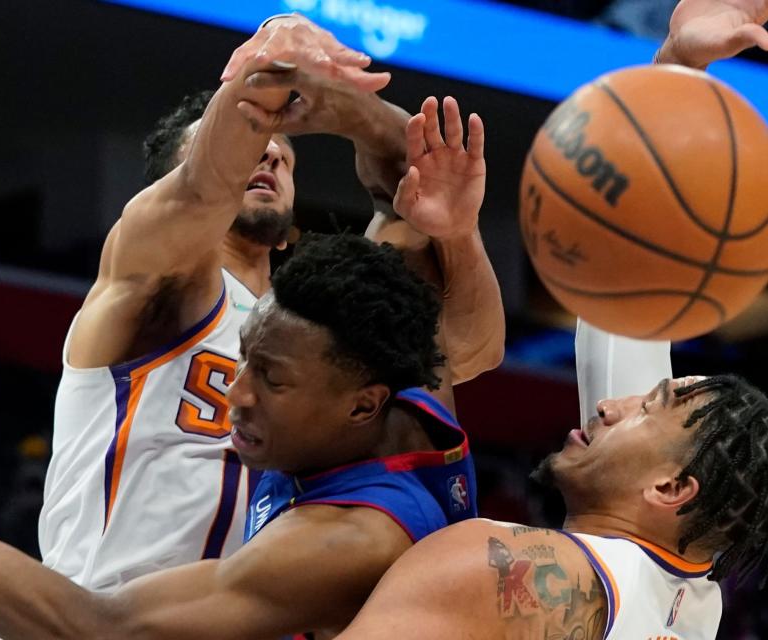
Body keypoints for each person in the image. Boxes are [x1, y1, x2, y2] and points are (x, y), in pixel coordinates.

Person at [333, 1, 768, 639]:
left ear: (671, 489)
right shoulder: (690, 597)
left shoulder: (501, 567)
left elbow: (625, 300)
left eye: (648, 407)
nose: (610, 408)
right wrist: (676, 70)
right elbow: (625, 314)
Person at [38, 13, 503, 592]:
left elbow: (469, 350)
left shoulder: (315, 320)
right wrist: (268, 66)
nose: (271, 158)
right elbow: (203, 186)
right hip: (93, 610)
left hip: (242, 619)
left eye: (285, 155)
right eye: (256, 147)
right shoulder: (152, 280)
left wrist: (356, 114)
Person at [0, 229, 484, 639]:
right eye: (244, 355)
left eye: (272, 379)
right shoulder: (404, 383)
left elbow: (105, 630)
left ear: (361, 406)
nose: (236, 394)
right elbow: (402, 217)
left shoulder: (349, 540)